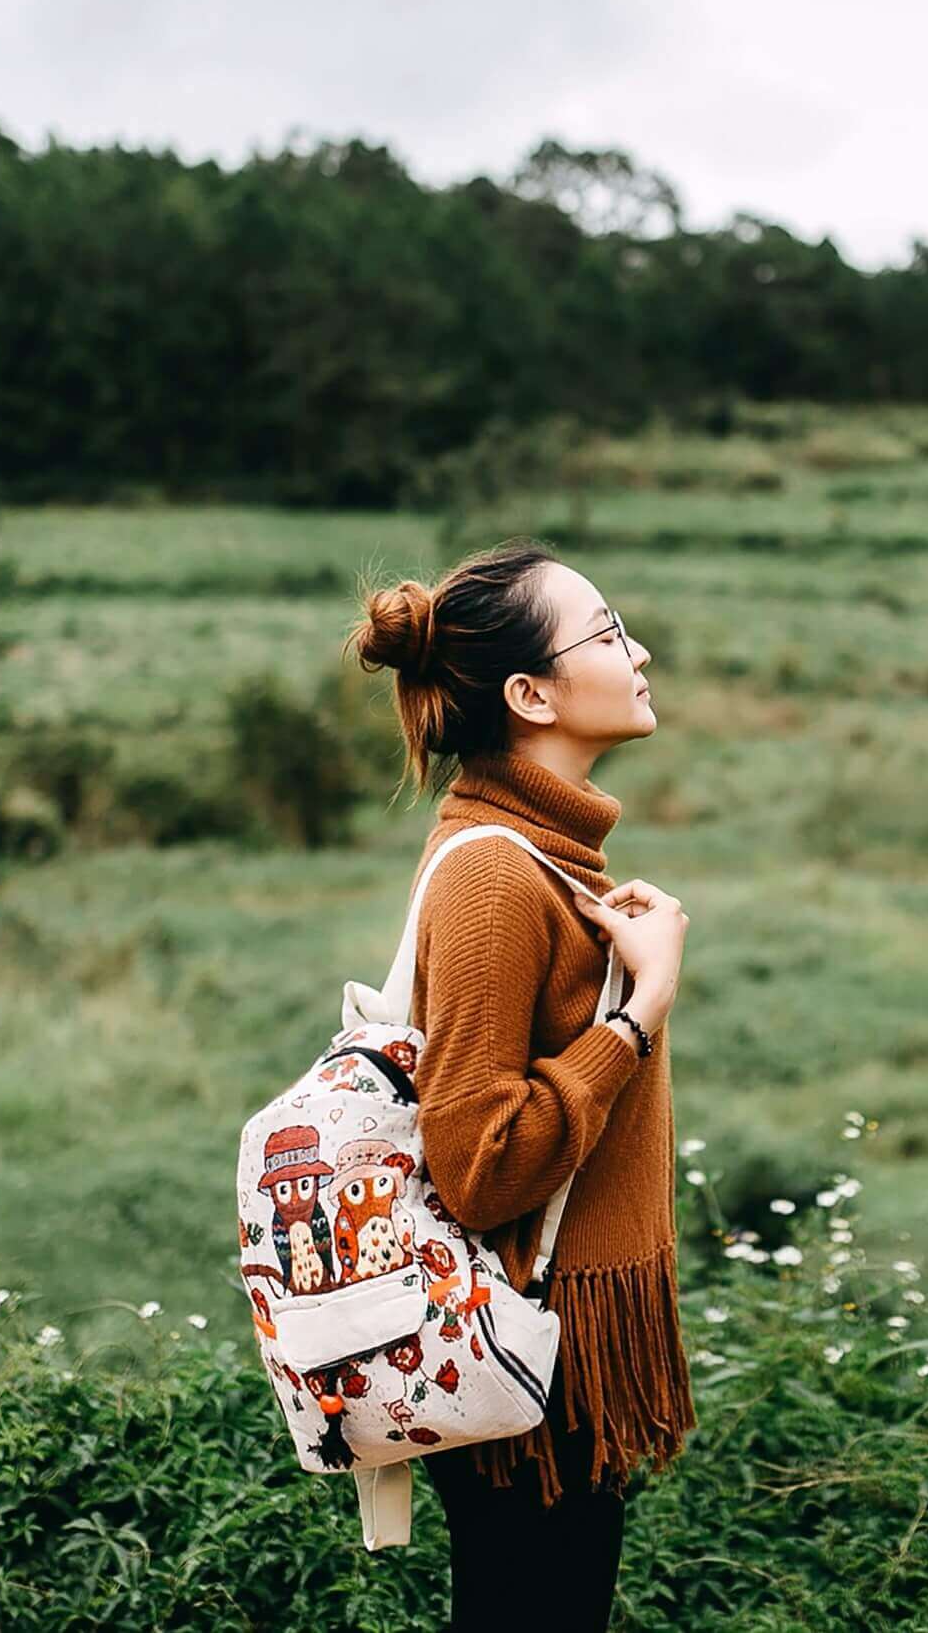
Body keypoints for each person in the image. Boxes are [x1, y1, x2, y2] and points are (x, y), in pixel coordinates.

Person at [345, 538, 695, 1633]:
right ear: (530, 690)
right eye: (606, 633)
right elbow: (480, 1159)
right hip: (522, 1333)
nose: (638, 653)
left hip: (556, 1335)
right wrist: (640, 1011)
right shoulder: (496, 871)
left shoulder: (542, 852)